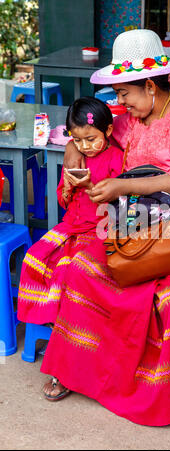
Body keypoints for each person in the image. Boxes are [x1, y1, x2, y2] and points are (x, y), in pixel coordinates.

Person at [37, 29, 170, 430]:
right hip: (138, 226)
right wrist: (75, 150)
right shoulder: (130, 117)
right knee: (81, 270)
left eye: (125, 93)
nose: (119, 101)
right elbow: (73, 132)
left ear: (149, 85)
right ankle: (79, 371)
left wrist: (124, 185)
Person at [17, 96, 123, 341]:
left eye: (91, 139)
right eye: (77, 140)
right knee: (34, 257)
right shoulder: (77, 157)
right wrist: (67, 189)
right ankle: (50, 319)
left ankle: (66, 324)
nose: (84, 146)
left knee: (70, 268)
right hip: (71, 225)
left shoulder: (116, 159)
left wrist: (89, 185)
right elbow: (64, 201)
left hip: (100, 228)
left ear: (108, 130)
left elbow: (117, 205)